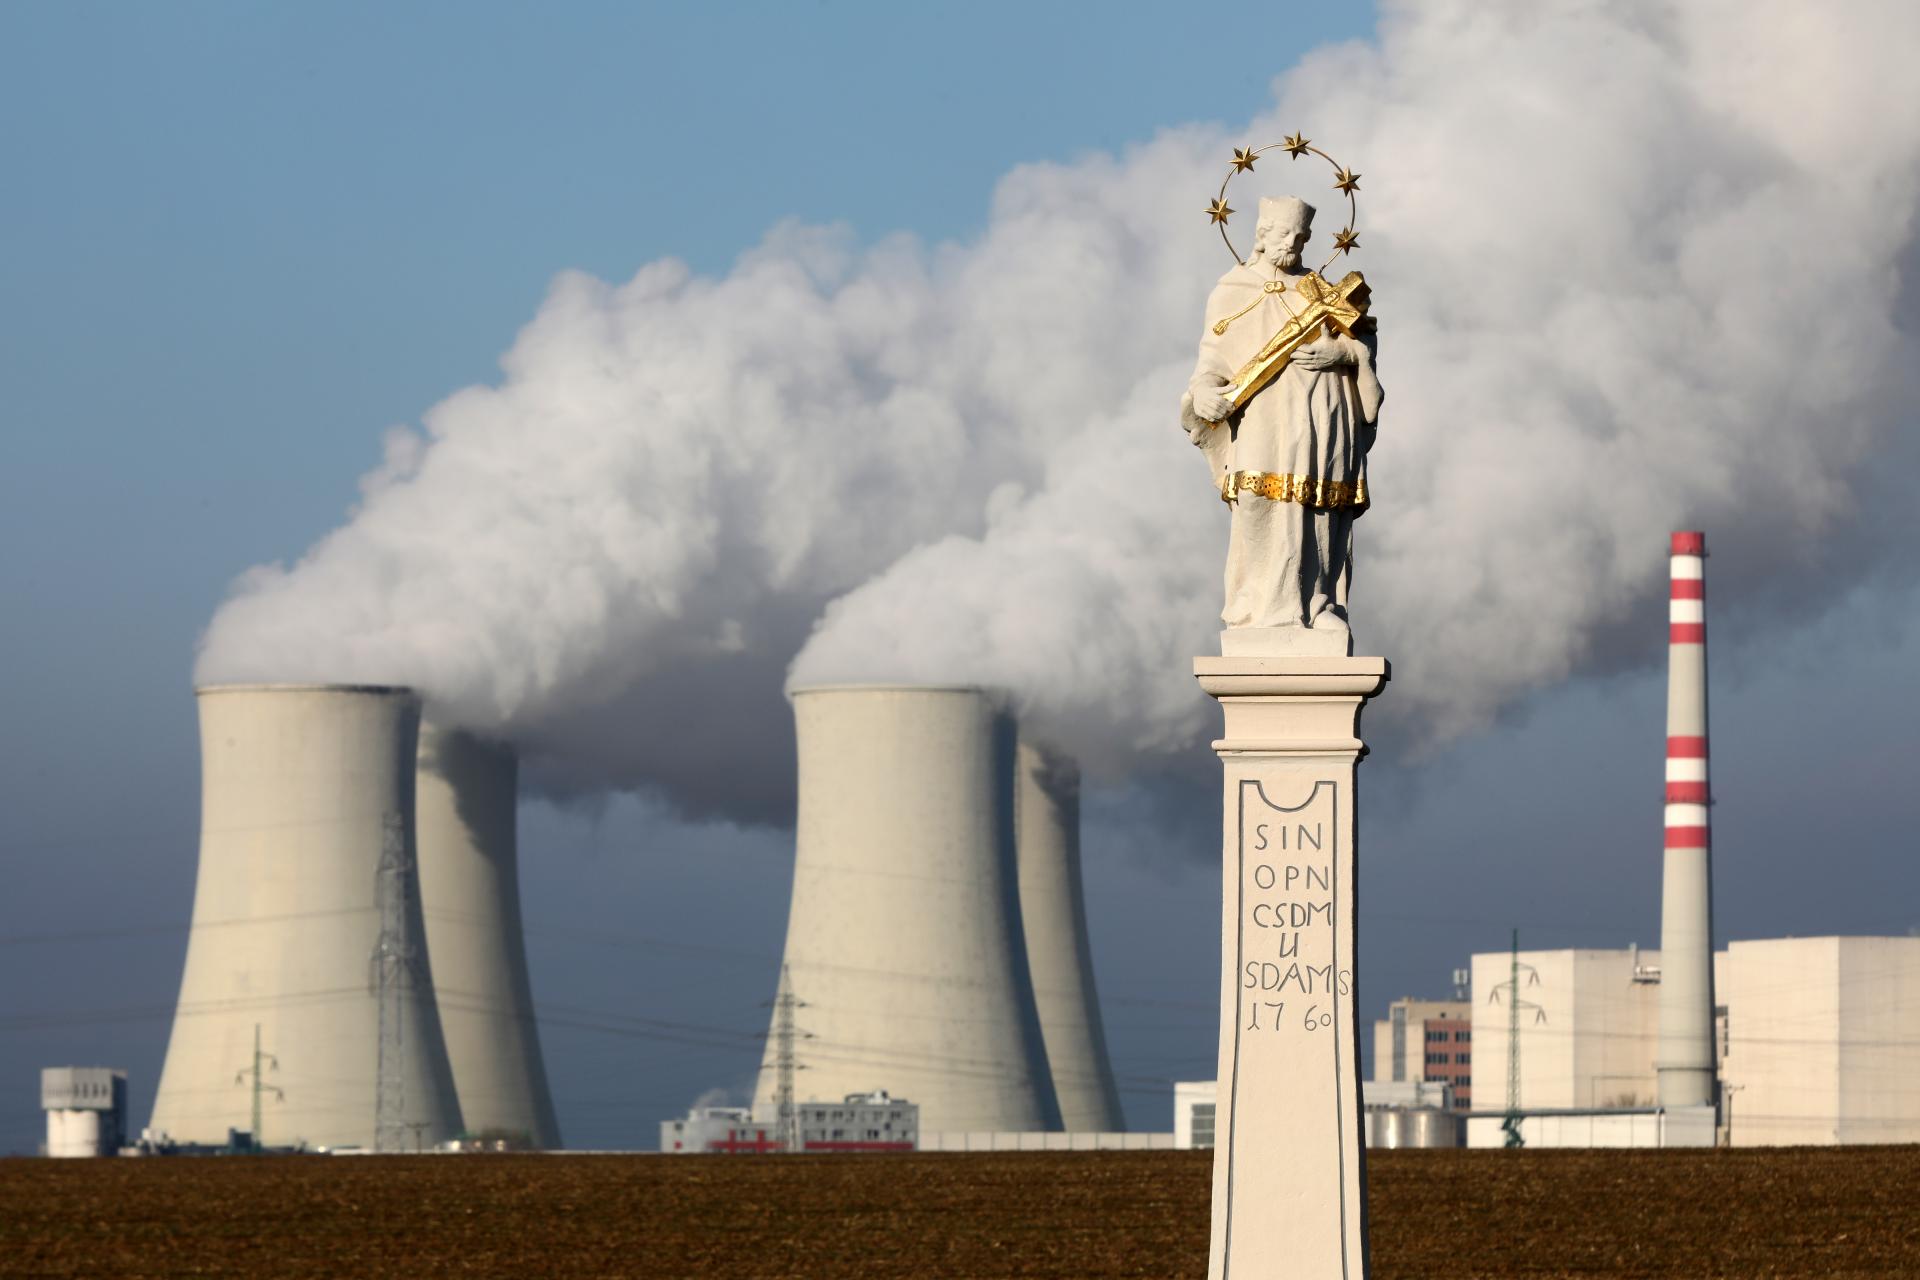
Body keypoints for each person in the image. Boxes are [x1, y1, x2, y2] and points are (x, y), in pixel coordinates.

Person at [1181, 195, 1383, 650]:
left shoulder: (1320, 291)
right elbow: (1211, 361)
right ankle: (1258, 606)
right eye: (1286, 234)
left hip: (1322, 415)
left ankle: (1318, 603)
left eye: (1302, 236)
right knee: (1257, 499)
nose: (1294, 243)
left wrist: (1345, 354)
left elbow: (1363, 343)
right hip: (1263, 415)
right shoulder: (1232, 289)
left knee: (1318, 506)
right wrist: (1205, 392)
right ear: (1262, 235)